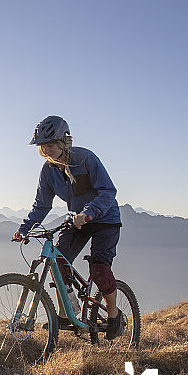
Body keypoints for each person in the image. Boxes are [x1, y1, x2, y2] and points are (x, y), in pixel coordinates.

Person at [12, 115, 124, 339]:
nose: (47, 150)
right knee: (59, 262)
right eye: (43, 147)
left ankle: (114, 316)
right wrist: (25, 228)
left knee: (100, 271)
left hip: (105, 220)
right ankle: (67, 313)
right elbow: (42, 205)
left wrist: (89, 212)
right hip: (77, 221)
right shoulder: (48, 171)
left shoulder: (85, 159)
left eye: (51, 145)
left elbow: (108, 192)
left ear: (64, 141)